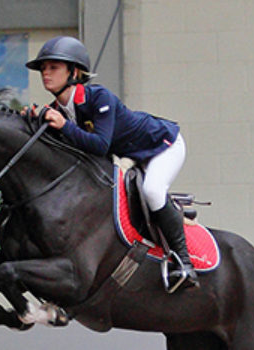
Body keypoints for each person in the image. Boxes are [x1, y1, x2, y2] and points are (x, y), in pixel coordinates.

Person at [23, 36, 196, 293]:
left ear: (74, 72)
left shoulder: (99, 97)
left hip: (163, 145)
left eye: (53, 67)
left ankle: (184, 262)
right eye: (44, 68)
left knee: (152, 190)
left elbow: (100, 146)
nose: (46, 74)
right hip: (131, 154)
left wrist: (63, 125)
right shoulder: (57, 109)